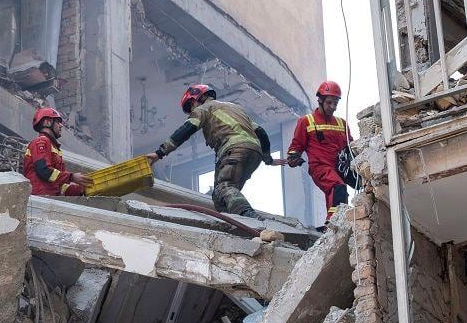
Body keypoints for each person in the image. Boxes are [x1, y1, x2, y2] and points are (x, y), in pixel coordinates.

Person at [146, 84, 281, 219]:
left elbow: (186, 129)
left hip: (234, 150)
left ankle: (250, 217)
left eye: (191, 105)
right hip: (254, 154)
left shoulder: (204, 109)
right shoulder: (236, 108)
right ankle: (236, 223)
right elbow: (261, 132)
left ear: (197, 99)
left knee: (224, 186)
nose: (193, 109)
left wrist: (160, 153)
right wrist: (267, 158)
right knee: (220, 198)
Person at [286, 80, 356, 222]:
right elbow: (296, 145)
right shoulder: (306, 121)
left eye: (335, 103)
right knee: (338, 187)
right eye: (329, 102)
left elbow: (351, 146)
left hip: (340, 168)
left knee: (338, 194)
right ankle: (334, 223)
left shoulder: (342, 124)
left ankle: (333, 225)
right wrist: (293, 156)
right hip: (320, 167)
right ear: (320, 100)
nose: (332, 107)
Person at [23, 107, 92, 196]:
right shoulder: (41, 142)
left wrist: (82, 190)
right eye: (58, 122)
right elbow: (43, 170)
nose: (61, 125)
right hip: (39, 198)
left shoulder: (54, 148)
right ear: (47, 122)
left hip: (50, 199)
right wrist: (72, 177)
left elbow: (61, 186)